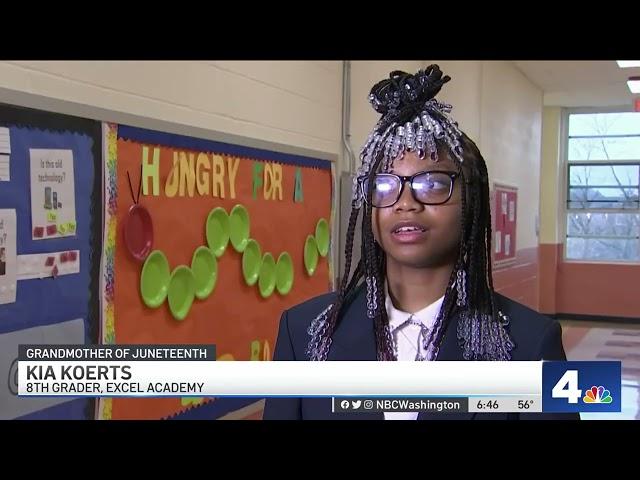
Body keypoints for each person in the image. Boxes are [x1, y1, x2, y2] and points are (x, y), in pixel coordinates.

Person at [263, 66, 578, 420]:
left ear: (472, 201)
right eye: (384, 185)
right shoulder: (304, 332)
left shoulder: (531, 344)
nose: (405, 202)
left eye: (431, 184)